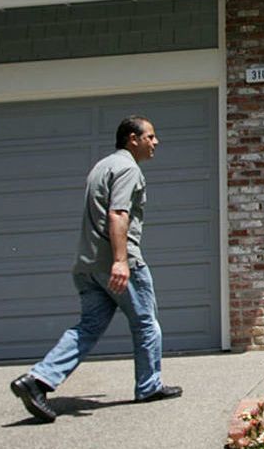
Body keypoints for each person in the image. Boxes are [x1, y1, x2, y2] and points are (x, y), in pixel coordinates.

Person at [10, 116, 181, 423]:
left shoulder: (102, 166)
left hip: (88, 265)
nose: (156, 143)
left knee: (88, 328)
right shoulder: (128, 168)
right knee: (146, 322)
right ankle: (149, 386)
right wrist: (120, 261)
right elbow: (117, 214)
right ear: (133, 138)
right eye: (151, 137)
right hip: (117, 261)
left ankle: (37, 381)